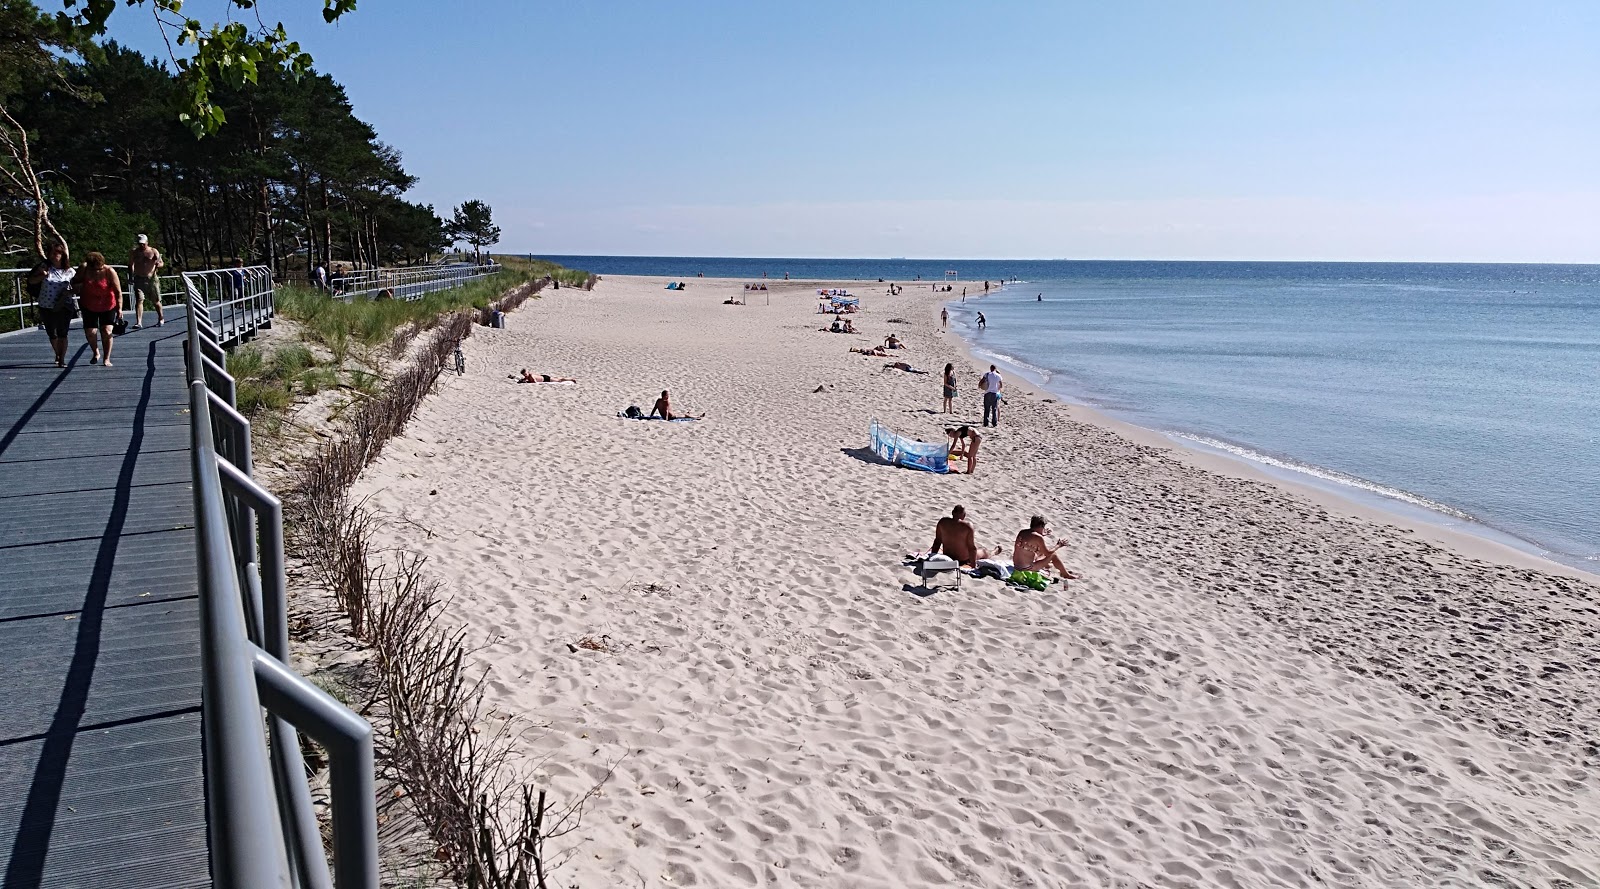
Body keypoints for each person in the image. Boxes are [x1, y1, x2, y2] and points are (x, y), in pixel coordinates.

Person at [30, 243, 76, 367]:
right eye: (52, 253)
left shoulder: (70, 271)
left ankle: (62, 360)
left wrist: (69, 292)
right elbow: (31, 281)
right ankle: (57, 353)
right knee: (52, 333)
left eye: (58, 253)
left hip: (64, 305)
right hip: (45, 304)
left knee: (63, 333)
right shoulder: (44, 267)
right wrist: (42, 275)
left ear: (63, 255)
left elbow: (78, 287)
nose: (55, 256)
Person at [73, 252, 122, 367]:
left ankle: (107, 358)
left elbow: (118, 291)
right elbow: (75, 281)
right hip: (89, 303)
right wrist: (77, 285)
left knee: (106, 331)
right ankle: (96, 352)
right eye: (95, 269)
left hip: (108, 304)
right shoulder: (84, 269)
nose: (98, 271)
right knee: (91, 332)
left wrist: (119, 309)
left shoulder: (109, 271)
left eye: (100, 269)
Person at [929, 505, 1001, 568]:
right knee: (984, 551)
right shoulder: (967, 526)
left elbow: (937, 541)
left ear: (952, 512)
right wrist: (973, 565)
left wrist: (932, 557)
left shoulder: (942, 522)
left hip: (947, 556)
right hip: (963, 560)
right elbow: (971, 548)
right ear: (964, 515)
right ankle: (994, 552)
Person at [1013, 516, 1079, 579]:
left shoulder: (1022, 532)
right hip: (1026, 568)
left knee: (1039, 553)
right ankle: (1066, 575)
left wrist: (1042, 535)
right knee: (1053, 554)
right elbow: (1048, 553)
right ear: (1041, 526)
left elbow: (1031, 540)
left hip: (1016, 565)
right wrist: (1058, 545)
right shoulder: (1038, 537)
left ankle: (1049, 566)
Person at [127, 233, 164, 328]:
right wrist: (131, 277)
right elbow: (131, 264)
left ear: (147, 242)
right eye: (140, 244)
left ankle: (161, 318)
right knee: (139, 299)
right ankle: (139, 322)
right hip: (139, 278)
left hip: (151, 279)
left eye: (143, 243)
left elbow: (161, 263)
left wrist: (158, 264)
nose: (142, 245)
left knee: (156, 301)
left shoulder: (153, 251)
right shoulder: (134, 252)